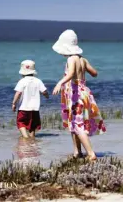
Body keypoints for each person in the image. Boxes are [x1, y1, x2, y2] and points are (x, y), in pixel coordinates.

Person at [52, 29, 106, 162]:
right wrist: (84, 70)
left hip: (75, 95)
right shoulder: (82, 59)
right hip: (83, 93)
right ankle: (77, 152)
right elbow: (94, 73)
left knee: (77, 125)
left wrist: (60, 83)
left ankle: (91, 153)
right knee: (73, 123)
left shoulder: (71, 59)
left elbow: (70, 74)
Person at [12, 60, 49, 138]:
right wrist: (46, 96)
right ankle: (32, 139)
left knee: (21, 122)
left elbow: (18, 93)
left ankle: (26, 137)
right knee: (32, 125)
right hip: (35, 108)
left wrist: (14, 103)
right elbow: (44, 91)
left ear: (22, 72)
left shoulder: (22, 81)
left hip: (23, 108)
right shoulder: (38, 81)